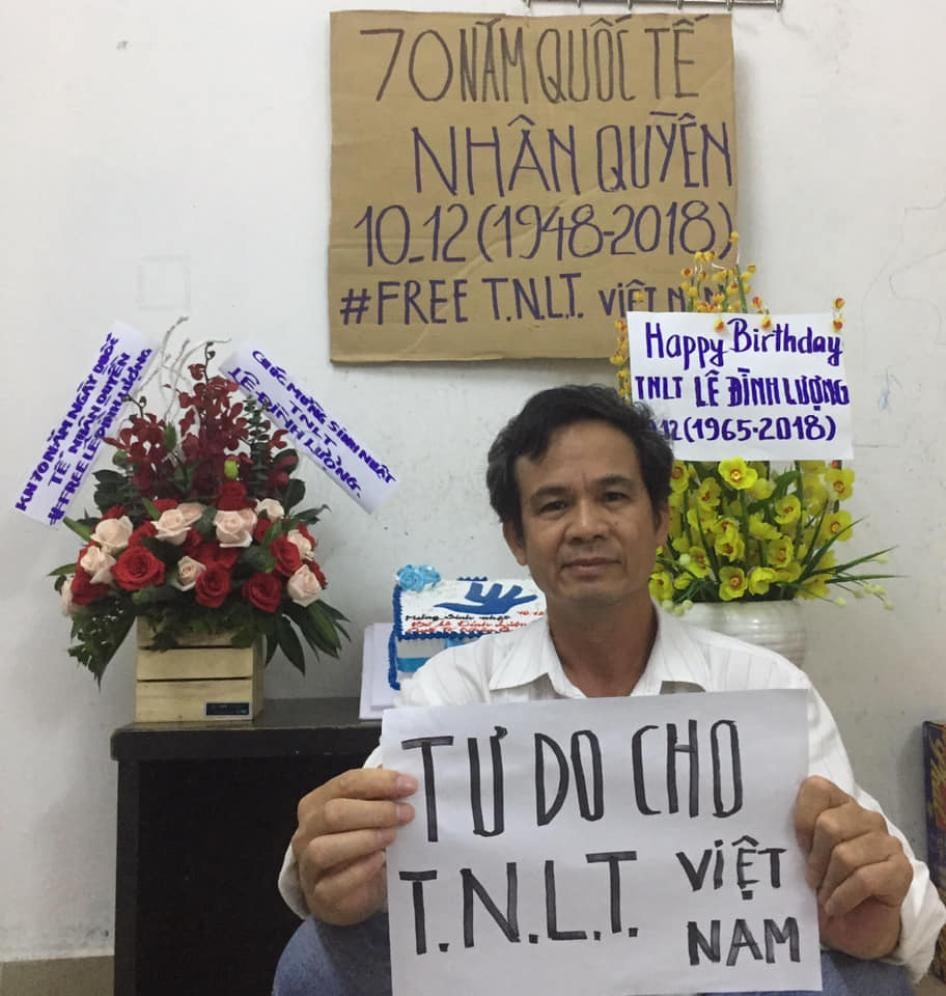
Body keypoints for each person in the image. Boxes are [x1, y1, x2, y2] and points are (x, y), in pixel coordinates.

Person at [274, 385, 945, 996]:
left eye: (615, 496)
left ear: (661, 522)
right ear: (517, 539)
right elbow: (337, 870)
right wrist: (323, 873)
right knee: (316, 960)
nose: (587, 525)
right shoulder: (453, 690)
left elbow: (908, 909)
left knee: (863, 980)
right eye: (554, 504)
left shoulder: (762, 688)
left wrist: (878, 923)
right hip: (515, 982)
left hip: (706, 983)